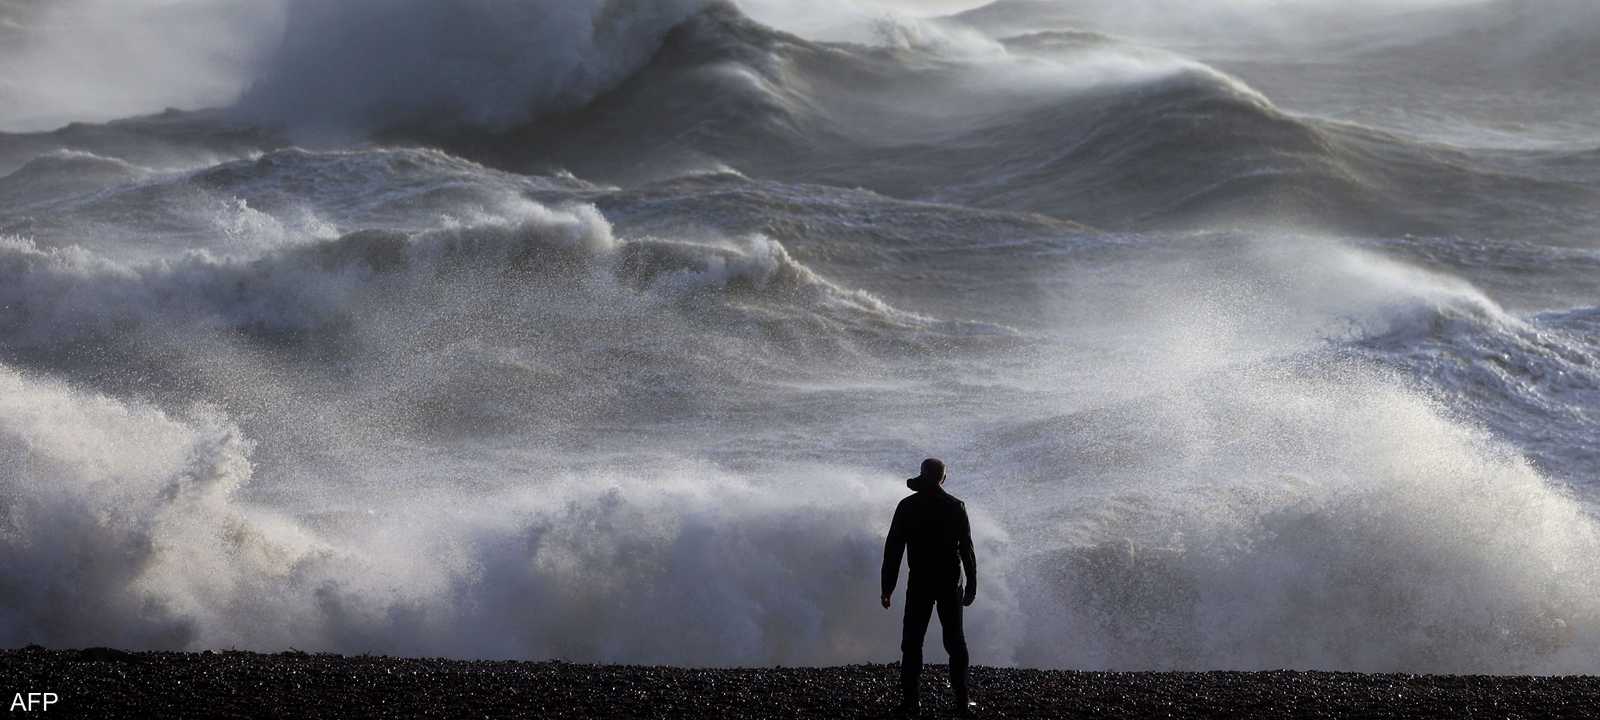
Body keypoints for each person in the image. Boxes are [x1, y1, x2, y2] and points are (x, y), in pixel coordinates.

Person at [881, 458, 977, 717]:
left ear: (923, 475)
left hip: (921, 582)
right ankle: (961, 700)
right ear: (943, 479)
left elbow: (893, 550)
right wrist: (971, 585)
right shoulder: (956, 507)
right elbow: (966, 550)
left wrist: (887, 587)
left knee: (912, 642)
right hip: (949, 581)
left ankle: (911, 702)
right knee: (955, 641)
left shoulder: (907, 506)